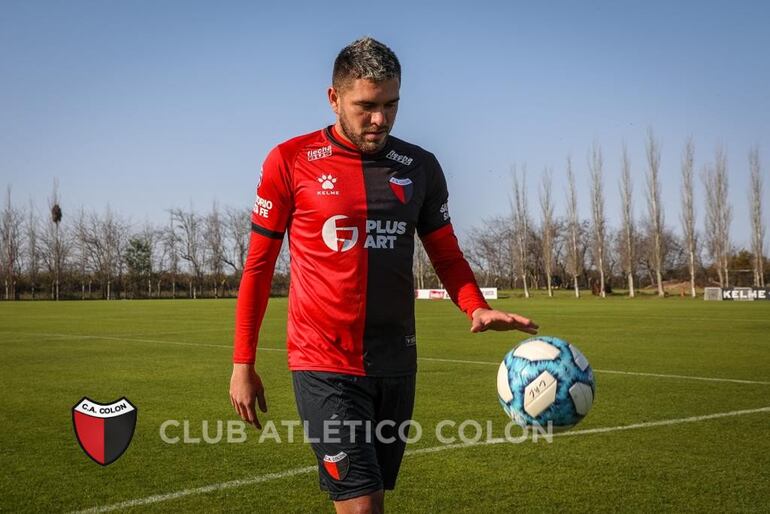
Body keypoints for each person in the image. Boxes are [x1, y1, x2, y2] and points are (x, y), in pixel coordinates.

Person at [230, 37, 538, 514]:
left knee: (373, 497)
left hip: (397, 361)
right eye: (366, 106)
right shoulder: (289, 161)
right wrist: (242, 364)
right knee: (361, 505)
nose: (380, 119)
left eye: (391, 105)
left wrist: (475, 306)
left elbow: (445, 253)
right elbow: (258, 267)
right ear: (334, 98)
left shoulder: (420, 166)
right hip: (324, 363)